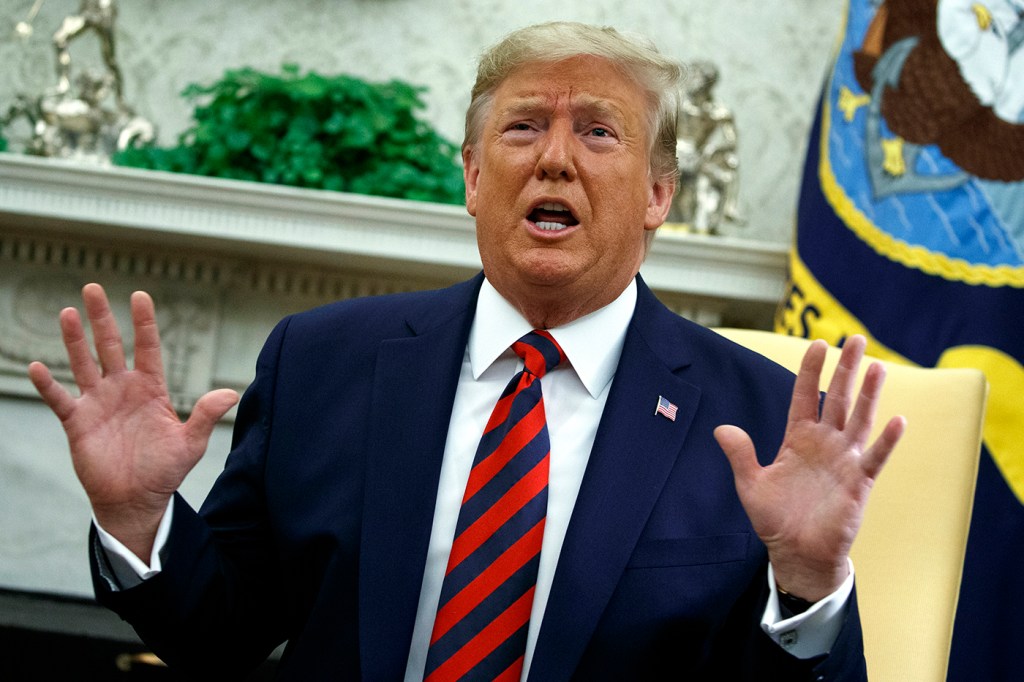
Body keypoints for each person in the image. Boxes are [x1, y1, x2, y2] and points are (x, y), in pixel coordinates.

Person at [28, 21, 904, 681]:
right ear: (475, 177)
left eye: (599, 133)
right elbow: (218, 634)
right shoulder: (322, 364)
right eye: (523, 128)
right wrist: (140, 521)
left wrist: (806, 587)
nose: (555, 159)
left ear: (659, 194)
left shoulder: (755, 419)